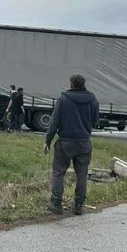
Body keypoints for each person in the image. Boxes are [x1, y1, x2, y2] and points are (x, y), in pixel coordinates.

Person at [43, 73, 99, 215]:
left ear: (71, 84)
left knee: (58, 173)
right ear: (83, 84)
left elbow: (54, 122)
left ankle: (56, 205)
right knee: (82, 175)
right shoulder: (92, 99)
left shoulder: (63, 99)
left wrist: (47, 141)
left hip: (65, 142)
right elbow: (95, 121)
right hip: (84, 142)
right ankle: (79, 206)